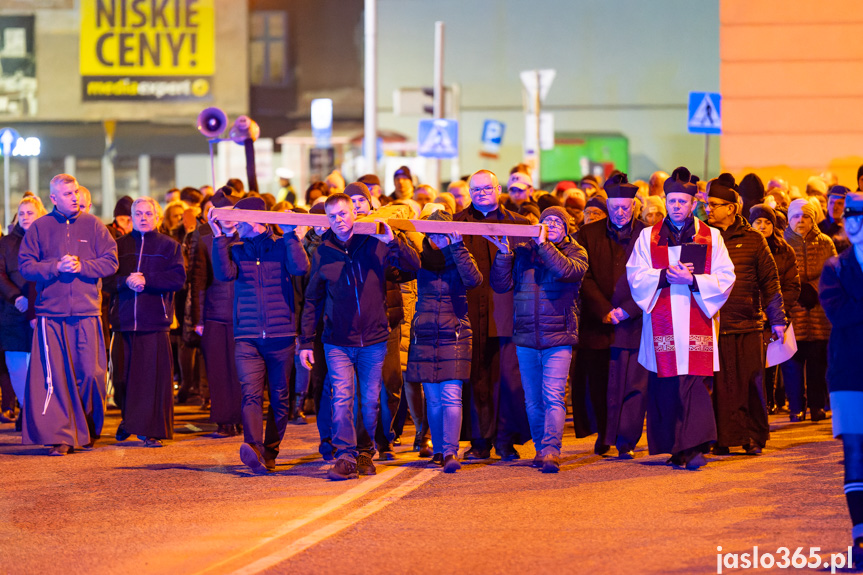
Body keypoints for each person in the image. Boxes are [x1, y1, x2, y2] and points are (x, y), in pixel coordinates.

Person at [299, 192, 420, 480]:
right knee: (341, 397)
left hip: (374, 338)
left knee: (369, 400)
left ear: (354, 212)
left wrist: (394, 241)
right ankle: (344, 455)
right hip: (337, 340)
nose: (339, 220)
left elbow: (412, 267)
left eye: (343, 213)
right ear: (326, 220)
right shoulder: (323, 251)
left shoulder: (374, 245)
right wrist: (305, 341)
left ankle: (365, 452)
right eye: (332, 216)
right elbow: (312, 299)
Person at [626, 168, 736, 469]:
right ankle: (675, 447)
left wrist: (693, 279)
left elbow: (726, 276)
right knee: (667, 383)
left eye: (682, 202)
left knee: (695, 382)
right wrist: (663, 275)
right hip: (663, 318)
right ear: (665, 201)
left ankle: (695, 446)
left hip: (696, 314)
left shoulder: (711, 237)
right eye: (672, 201)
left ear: (693, 204)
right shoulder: (648, 237)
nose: (677, 207)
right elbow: (635, 275)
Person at [19, 174, 119, 456]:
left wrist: (83, 266)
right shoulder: (39, 228)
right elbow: (26, 266)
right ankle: (61, 437)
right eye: (67, 194)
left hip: (87, 313)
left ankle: (87, 429)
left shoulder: (93, 224)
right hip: (51, 315)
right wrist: (55, 267)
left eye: (75, 192)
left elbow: (111, 261)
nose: (74, 197)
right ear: (53, 198)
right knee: (57, 379)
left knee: (92, 374)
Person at [210, 195, 310, 474]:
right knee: (250, 394)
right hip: (247, 336)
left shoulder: (281, 245)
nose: (234, 224)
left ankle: (270, 450)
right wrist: (219, 238)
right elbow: (224, 274)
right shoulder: (237, 248)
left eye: (239, 219)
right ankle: (252, 448)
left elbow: (300, 268)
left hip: (281, 335)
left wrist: (291, 237)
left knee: (279, 397)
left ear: (255, 220)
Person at [489, 206, 588, 472]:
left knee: (553, 396)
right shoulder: (523, 252)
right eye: (547, 221)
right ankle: (540, 446)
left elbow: (565, 272)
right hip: (526, 336)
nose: (552, 224)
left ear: (566, 228)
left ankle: (552, 450)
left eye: (558, 221)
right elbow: (500, 285)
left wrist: (543, 244)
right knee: (532, 399)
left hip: (558, 337)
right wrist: (504, 254)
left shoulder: (576, 252)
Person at [705, 175, 785, 456]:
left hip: (748, 323)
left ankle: (753, 437)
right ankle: (722, 438)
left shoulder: (753, 240)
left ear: (732, 208)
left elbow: (770, 282)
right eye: (706, 204)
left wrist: (777, 320)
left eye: (714, 205)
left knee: (751, 383)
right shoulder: (703, 238)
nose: (708, 209)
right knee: (722, 386)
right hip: (713, 324)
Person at [454, 169, 531, 461]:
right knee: (477, 377)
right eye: (475, 190)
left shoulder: (518, 224)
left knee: (508, 379)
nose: (481, 193)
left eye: (487, 188)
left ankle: (505, 439)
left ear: (498, 189)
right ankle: (479, 441)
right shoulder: (458, 223)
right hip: (469, 310)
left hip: (508, 312)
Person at [575, 174, 648, 459]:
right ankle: (604, 434)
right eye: (615, 207)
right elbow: (584, 275)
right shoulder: (588, 234)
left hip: (633, 322)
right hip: (598, 322)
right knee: (600, 383)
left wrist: (627, 310)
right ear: (608, 205)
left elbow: (652, 278)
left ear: (634, 207)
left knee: (632, 384)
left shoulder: (647, 235)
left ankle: (626, 440)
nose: (620, 212)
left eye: (625, 207)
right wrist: (604, 309)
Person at [407, 209, 482, 473]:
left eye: (443, 233)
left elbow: (474, 280)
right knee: (433, 398)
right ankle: (438, 450)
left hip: (455, 332)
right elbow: (399, 266)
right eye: (433, 233)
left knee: (451, 395)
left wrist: (458, 246)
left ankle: (451, 451)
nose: (438, 239)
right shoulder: (418, 258)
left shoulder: (459, 255)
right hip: (426, 332)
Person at [107, 197, 185, 447]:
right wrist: (124, 282)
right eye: (138, 214)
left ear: (157, 217)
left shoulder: (170, 246)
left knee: (150, 380)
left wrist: (147, 280)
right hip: (123, 321)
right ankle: (129, 419)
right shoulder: (118, 245)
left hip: (154, 322)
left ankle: (150, 430)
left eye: (148, 213)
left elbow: (178, 280)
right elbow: (105, 281)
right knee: (120, 379)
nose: (143, 218)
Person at [819, 192, 863, 570]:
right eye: (850, 215)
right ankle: (860, 536)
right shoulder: (834, 266)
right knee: (855, 452)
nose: (854, 222)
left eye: (860, 215)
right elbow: (841, 314)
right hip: (848, 372)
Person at [191, 188, 243, 437]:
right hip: (215, 313)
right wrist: (198, 318)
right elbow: (198, 281)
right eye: (224, 213)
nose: (230, 217)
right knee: (218, 369)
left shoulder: (247, 236)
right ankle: (224, 420)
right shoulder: (204, 240)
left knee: (242, 369)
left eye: (233, 212)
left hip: (245, 314)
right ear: (214, 215)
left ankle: (244, 417)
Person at [783, 198, 836, 422]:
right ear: (789, 219)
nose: (801, 220)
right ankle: (796, 407)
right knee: (792, 362)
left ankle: (816, 406)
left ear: (813, 219)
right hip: (792, 310)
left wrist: (814, 289)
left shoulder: (825, 242)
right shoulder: (782, 241)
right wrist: (796, 290)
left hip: (818, 312)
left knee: (817, 362)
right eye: (796, 216)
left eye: (805, 216)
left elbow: (833, 272)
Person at [749, 204, 801, 415]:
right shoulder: (744, 246)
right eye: (758, 222)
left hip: (773, 317)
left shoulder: (784, 250)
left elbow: (791, 286)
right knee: (753, 365)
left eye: (767, 222)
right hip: (750, 314)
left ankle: (768, 402)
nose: (762, 226)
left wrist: (775, 310)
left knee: (771, 364)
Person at [0, 196, 46, 424]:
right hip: (13, 312)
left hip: (41, 313)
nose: (26, 217)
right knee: (18, 368)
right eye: (22, 212)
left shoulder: (47, 240)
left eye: (31, 212)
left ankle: (40, 415)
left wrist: (34, 300)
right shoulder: (6, 243)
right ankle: (28, 411)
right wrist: (16, 296)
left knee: (41, 366)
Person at [820, 185, 850, 254]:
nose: (834, 207)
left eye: (839, 203)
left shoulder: (854, 227)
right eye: (831, 203)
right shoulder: (820, 228)